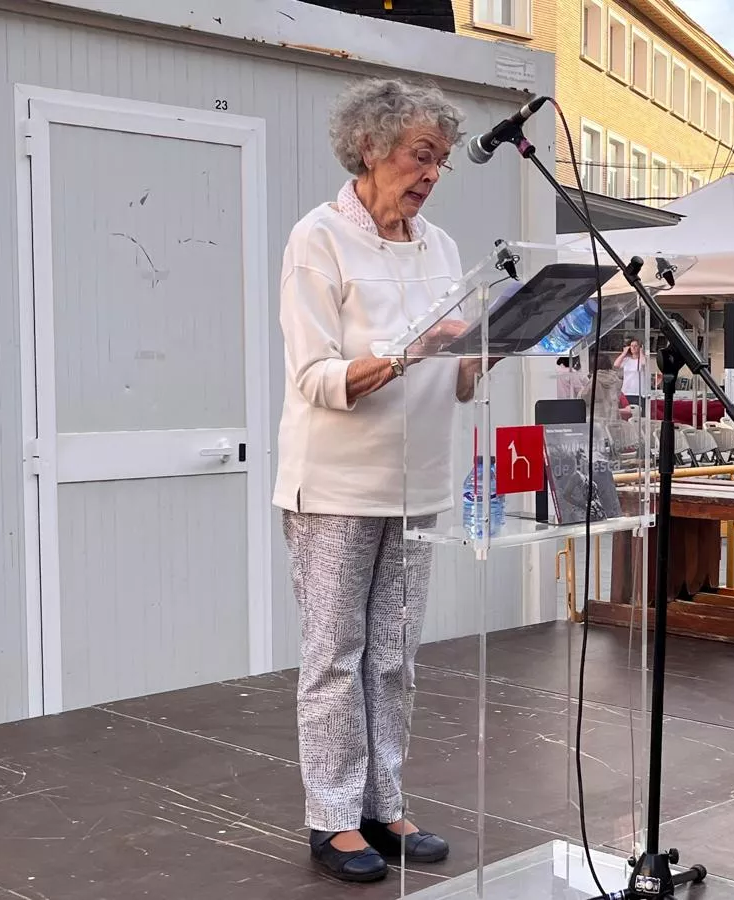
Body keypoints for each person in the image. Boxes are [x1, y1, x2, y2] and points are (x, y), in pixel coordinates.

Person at [274, 77, 493, 884]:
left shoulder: (439, 248)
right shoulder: (317, 239)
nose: (432, 172)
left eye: (440, 160)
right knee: (337, 654)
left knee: (395, 656)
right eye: (420, 155)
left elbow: (459, 380)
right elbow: (315, 376)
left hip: (420, 481)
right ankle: (331, 818)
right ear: (370, 148)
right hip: (334, 485)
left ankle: (382, 804)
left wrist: (484, 352)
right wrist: (411, 350)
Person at [616, 339, 647, 409]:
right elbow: (616, 364)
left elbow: (643, 363)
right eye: (632, 346)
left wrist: (641, 352)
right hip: (626, 391)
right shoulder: (626, 359)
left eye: (636, 346)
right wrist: (624, 353)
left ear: (639, 347)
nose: (633, 347)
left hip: (638, 392)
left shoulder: (642, 359)